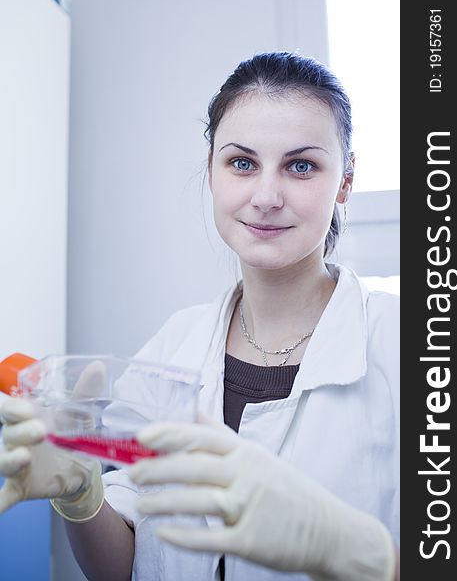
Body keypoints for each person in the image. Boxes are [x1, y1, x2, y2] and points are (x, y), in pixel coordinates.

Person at [0, 52, 399, 580]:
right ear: (211, 171)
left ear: (345, 182)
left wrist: (366, 556)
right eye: (242, 163)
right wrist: (82, 497)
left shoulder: (412, 345)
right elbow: (124, 569)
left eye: (301, 166)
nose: (266, 196)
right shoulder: (175, 344)